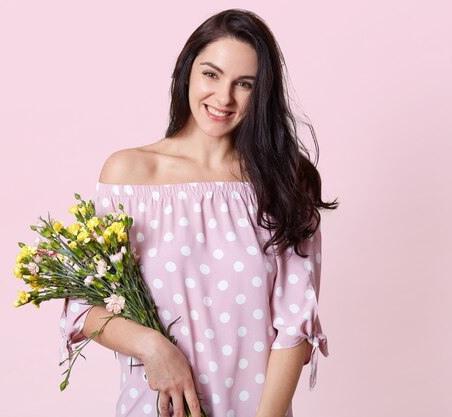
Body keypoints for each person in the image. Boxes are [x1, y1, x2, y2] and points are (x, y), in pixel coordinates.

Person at [60, 8, 338, 417]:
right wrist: (153, 348)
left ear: (262, 93)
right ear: (188, 71)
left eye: (244, 84)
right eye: (211, 74)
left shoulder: (283, 180)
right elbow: (85, 308)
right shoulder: (130, 175)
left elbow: (294, 327)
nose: (223, 98)